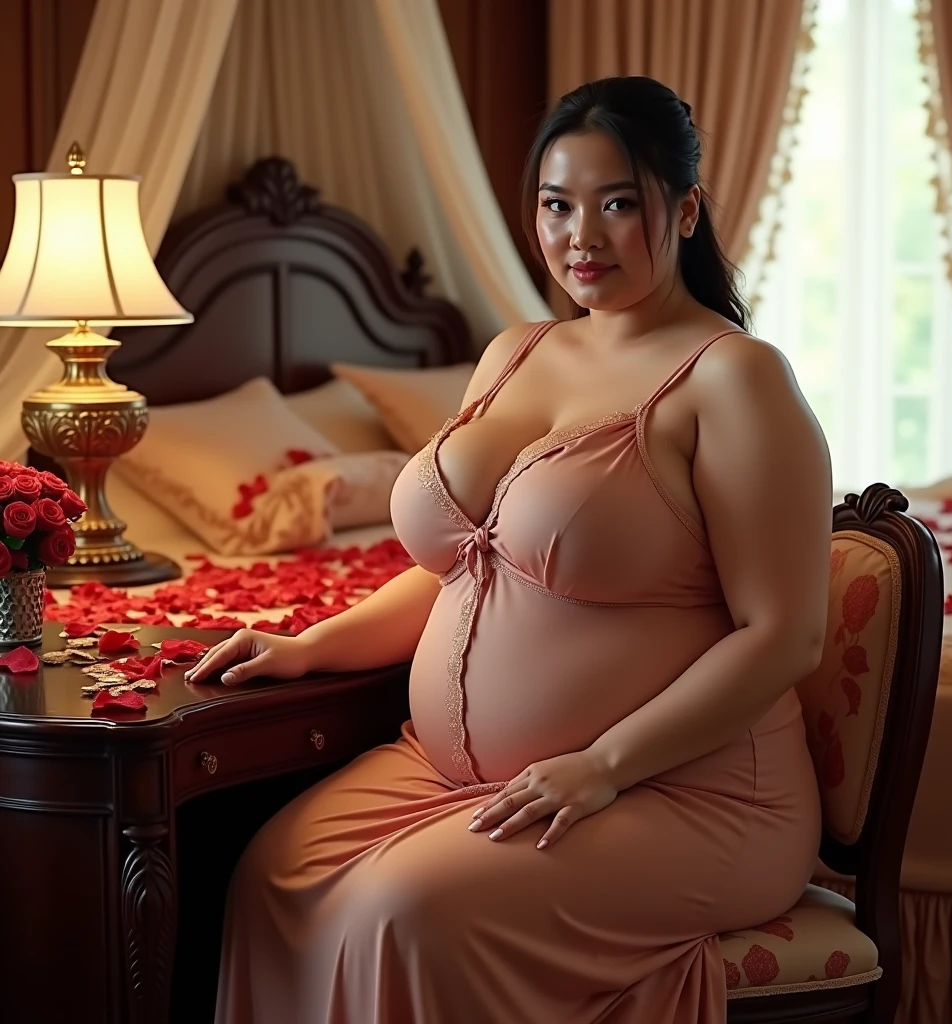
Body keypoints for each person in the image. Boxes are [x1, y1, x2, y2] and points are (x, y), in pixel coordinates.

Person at [189, 75, 833, 1024]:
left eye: (619, 203)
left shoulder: (734, 379)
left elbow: (784, 637)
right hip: (459, 774)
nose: (583, 235)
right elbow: (462, 567)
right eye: (556, 203)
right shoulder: (513, 354)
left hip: (680, 792)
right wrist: (311, 646)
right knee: (268, 875)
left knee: (400, 914)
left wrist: (606, 763)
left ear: (685, 210)